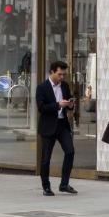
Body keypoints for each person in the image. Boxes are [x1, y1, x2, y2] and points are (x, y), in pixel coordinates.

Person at [35, 60, 77, 196]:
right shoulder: (42, 87)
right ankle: (46, 186)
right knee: (46, 158)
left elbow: (68, 101)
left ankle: (64, 184)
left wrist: (70, 105)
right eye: (59, 74)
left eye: (63, 75)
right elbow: (41, 108)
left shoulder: (64, 86)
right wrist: (58, 105)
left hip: (62, 124)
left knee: (70, 151)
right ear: (51, 72)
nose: (62, 77)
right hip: (48, 126)